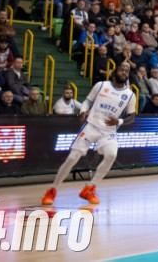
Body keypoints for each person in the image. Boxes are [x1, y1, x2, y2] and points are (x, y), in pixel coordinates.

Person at [43, 62, 137, 206]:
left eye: (127, 71)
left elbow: (132, 116)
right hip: (92, 125)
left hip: (108, 131)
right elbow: (87, 101)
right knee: (72, 158)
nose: (124, 72)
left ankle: (90, 188)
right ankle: (53, 190)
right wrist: (83, 111)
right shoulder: (101, 85)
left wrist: (118, 121)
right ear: (114, 72)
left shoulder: (130, 95)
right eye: (121, 69)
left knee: (111, 154)